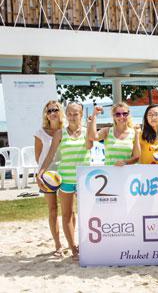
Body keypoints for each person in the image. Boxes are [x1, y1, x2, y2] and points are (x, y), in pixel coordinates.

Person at [37, 102, 91, 260]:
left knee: (86, 215)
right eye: (70, 113)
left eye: (76, 114)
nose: (73, 116)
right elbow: (51, 155)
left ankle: (86, 244)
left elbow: (91, 146)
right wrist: (40, 173)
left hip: (84, 180)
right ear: (66, 115)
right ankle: (73, 248)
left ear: (81, 115)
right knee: (66, 214)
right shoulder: (60, 133)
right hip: (66, 179)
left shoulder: (88, 132)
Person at [34, 100, 64, 258]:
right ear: (46, 114)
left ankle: (72, 242)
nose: (52, 113)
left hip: (65, 173)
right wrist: (42, 174)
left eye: (55, 109)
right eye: (49, 110)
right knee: (53, 210)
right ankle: (58, 245)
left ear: (60, 112)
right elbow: (38, 157)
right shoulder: (40, 133)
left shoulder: (66, 130)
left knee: (69, 211)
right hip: (48, 175)